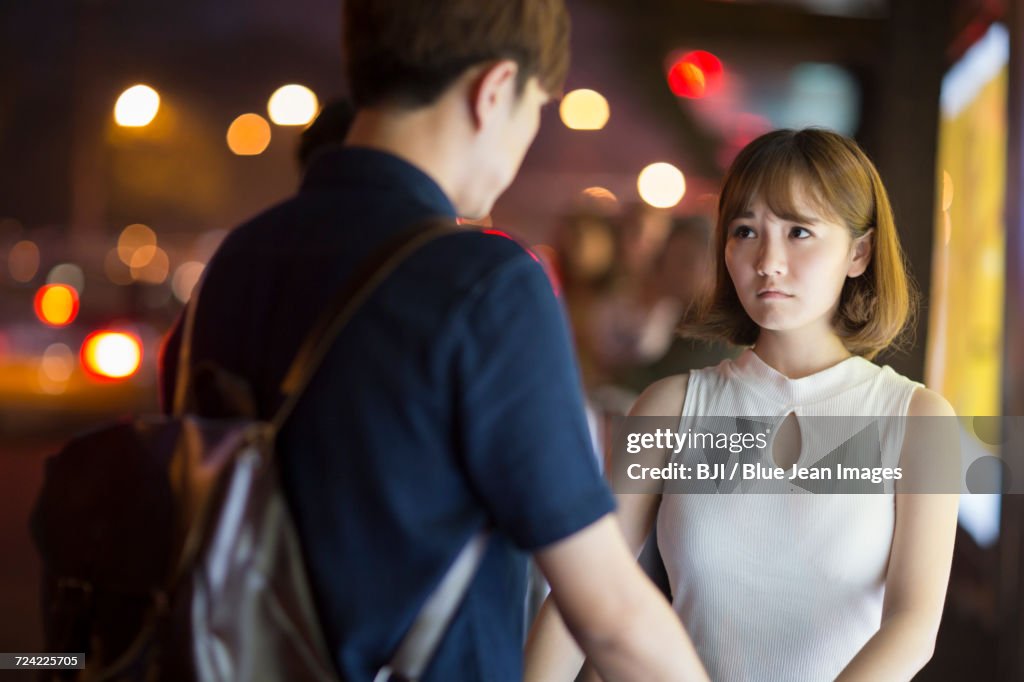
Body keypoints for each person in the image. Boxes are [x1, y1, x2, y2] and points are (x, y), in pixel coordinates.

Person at [159, 2, 708, 681]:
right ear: (495, 90)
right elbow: (611, 613)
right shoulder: (487, 283)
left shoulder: (234, 264)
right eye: (535, 110)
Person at [524, 128, 959, 681]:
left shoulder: (917, 420)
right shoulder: (670, 410)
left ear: (859, 251)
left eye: (799, 231)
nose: (767, 261)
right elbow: (583, 593)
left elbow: (913, 627)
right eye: (746, 231)